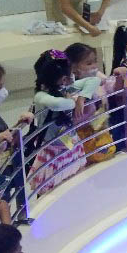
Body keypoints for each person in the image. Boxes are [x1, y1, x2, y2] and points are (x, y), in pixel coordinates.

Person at [27, 50, 87, 193]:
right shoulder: (41, 96)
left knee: (73, 185)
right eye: (70, 74)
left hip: (70, 145)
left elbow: (93, 81)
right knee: (51, 192)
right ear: (62, 78)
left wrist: (80, 98)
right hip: (52, 151)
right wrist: (74, 101)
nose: (73, 76)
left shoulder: (63, 89)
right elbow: (57, 104)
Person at [65, 42, 125, 163]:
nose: (94, 66)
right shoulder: (69, 87)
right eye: (89, 63)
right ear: (74, 68)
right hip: (81, 135)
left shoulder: (98, 78)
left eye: (95, 61)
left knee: (105, 158)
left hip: (100, 130)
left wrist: (120, 77)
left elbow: (114, 89)